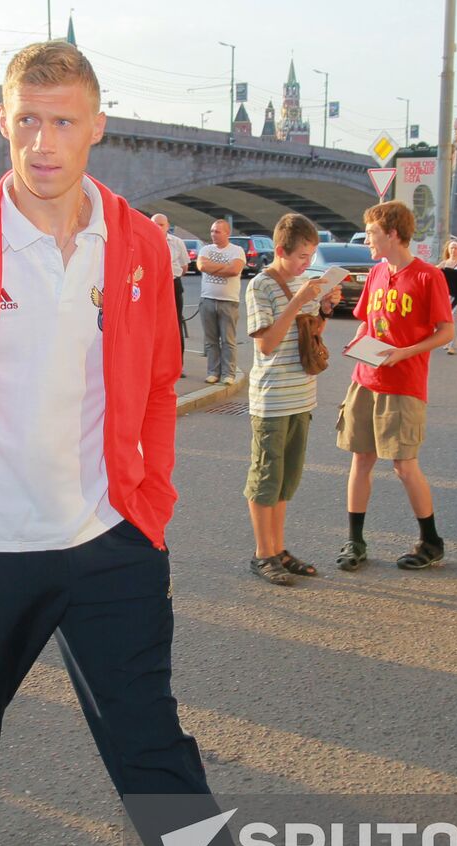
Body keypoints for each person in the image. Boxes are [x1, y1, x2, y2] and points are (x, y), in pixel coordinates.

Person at [0, 41, 336, 846]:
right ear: (4, 121)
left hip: (106, 544)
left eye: (64, 120)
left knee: (152, 740)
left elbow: (160, 376)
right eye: (28, 119)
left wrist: (148, 507)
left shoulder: (131, 242)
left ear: (96, 127)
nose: (45, 142)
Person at [335, 200, 454, 573]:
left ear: (392, 233)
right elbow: (366, 323)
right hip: (366, 381)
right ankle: (355, 540)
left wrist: (404, 353)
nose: (367, 238)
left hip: (403, 383)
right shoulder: (375, 274)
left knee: (404, 465)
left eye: (371, 232)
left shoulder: (427, 276)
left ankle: (431, 541)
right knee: (361, 460)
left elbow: (446, 331)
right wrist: (357, 343)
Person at [243, 212, 341, 585]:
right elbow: (266, 344)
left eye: (312, 256)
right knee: (266, 478)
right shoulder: (260, 286)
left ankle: (279, 549)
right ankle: (262, 554)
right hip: (271, 398)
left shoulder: (304, 282)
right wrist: (298, 298)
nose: (308, 264)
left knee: (286, 480)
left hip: (302, 394)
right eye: (302, 256)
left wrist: (325, 308)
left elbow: (311, 333)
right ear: (281, 250)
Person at [197, 219, 246, 384]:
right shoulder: (206, 249)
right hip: (207, 300)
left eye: (217, 232)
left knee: (228, 340)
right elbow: (202, 266)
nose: (213, 234)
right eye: (212, 231)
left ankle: (228, 374)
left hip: (228, 302)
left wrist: (214, 267)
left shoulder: (237, 251)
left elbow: (234, 270)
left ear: (227, 233)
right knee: (211, 340)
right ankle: (213, 372)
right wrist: (223, 267)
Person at [151, 212, 191, 376]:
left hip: (172, 284)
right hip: (152, 286)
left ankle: (177, 366)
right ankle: (154, 365)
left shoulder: (177, 242)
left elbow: (184, 267)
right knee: (153, 326)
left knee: (175, 325)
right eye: (155, 223)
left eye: (161, 224)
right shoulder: (146, 240)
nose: (158, 227)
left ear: (167, 226)